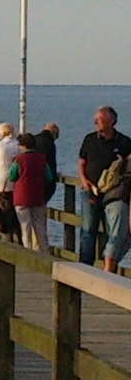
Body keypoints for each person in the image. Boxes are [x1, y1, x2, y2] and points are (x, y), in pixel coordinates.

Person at [77, 106, 131, 271]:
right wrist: (84, 180)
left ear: (111, 121)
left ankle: (108, 267)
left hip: (114, 193)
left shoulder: (124, 142)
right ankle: (85, 268)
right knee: (88, 229)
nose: (95, 122)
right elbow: (81, 161)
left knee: (115, 231)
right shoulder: (90, 139)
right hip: (90, 191)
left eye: (99, 119)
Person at [8, 133, 54, 252]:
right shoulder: (42, 158)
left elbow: (12, 176)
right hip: (38, 196)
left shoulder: (18, 160)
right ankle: (45, 253)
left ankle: (28, 253)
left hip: (21, 197)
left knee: (25, 228)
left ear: (23, 146)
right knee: (40, 228)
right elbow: (48, 177)